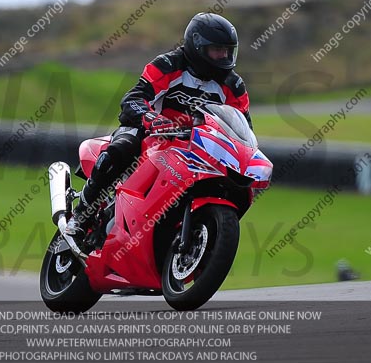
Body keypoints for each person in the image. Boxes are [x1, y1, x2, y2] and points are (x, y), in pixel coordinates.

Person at [64, 12, 252, 241]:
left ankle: (205, 234)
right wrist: (151, 118)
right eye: (217, 50)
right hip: (151, 134)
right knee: (121, 148)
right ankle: (81, 214)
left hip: (197, 146)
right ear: (197, 46)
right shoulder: (168, 64)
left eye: (227, 51)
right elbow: (133, 99)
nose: (223, 57)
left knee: (238, 185)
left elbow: (242, 126)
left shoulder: (233, 85)